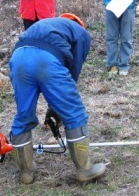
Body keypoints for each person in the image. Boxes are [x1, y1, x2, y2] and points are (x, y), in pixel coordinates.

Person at [9, 13, 107, 184]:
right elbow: (73, 70)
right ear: (79, 23)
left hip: (18, 58)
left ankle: (26, 172)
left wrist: (54, 105)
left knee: (23, 115)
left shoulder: (48, 24)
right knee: (74, 113)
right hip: (47, 60)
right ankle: (85, 170)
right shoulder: (81, 32)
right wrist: (59, 105)